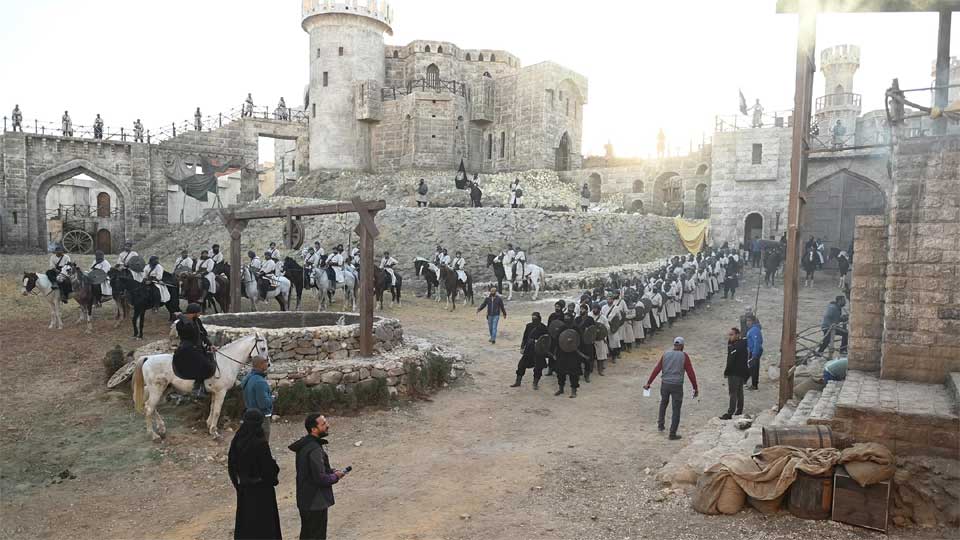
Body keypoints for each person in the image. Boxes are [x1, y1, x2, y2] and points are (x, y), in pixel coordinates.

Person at [289, 414, 348, 540]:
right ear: (313, 429)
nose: (327, 426)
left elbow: (312, 471)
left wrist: (331, 471)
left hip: (305, 499)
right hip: (315, 501)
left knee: (307, 535)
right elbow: (320, 478)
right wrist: (336, 476)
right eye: (323, 424)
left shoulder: (305, 445)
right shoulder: (314, 448)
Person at [227, 409, 281, 540]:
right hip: (262, 492)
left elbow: (231, 466)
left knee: (247, 525)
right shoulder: (260, 443)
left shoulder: (237, 440)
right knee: (264, 528)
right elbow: (269, 470)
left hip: (245, 491)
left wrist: (239, 485)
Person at [643, 337, 699, 440]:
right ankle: (672, 433)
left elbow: (657, 369)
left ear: (674, 345)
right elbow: (691, 373)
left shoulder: (666, 354)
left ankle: (661, 425)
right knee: (676, 409)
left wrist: (648, 383)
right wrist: (695, 387)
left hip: (665, 384)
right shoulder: (684, 356)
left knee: (663, 403)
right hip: (677, 385)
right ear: (682, 346)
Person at [173, 303, 217, 397]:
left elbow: (202, 334)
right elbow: (191, 329)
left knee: (211, 360)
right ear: (193, 313)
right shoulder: (181, 324)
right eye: (198, 312)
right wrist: (182, 317)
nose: (199, 314)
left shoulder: (197, 321)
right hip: (187, 349)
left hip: (198, 347)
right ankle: (197, 387)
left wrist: (210, 345)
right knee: (205, 365)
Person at [511, 312, 551, 389]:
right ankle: (518, 382)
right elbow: (525, 337)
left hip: (538, 350)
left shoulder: (543, 327)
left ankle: (535, 383)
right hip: (529, 349)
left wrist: (539, 343)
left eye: (535, 317)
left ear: (539, 318)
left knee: (538, 368)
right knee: (521, 365)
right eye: (533, 317)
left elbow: (547, 339)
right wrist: (522, 347)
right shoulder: (529, 326)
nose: (534, 319)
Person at [554, 312, 588, 398]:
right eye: (565, 317)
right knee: (560, 372)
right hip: (562, 353)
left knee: (574, 373)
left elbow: (581, 341)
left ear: (571, 318)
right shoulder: (562, 328)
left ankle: (574, 391)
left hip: (573, 354)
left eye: (568, 317)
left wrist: (573, 343)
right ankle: (561, 389)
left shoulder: (576, 328)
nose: (566, 319)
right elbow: (557, 340)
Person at [241, 356, 273, 440]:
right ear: (261, 364)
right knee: (262, 444)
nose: (268, 364)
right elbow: (263, 404)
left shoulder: (249, 378)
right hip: (261, 418)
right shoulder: (260, 381)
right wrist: (273, 397)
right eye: (266, 362)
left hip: (250, 416)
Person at [720, 327, 749, 420]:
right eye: (729, 335)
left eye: (732, 335)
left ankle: (730, 412)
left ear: (737, 335)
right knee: (739, 392)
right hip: (741, 372)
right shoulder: (742, 344)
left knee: (733, 392)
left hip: (734, 372)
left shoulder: (736, 346)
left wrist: (727, 371)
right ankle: (739, 410)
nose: (730, 337)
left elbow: (731, 360)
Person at [745, 315, 763, 390]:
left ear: (753, 321)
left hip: (755, 352)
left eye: (749, 321)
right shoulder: (752, 329)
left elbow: (757, 343)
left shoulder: (755, 330)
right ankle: (747, 382)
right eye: (747, 321)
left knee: (754, 368)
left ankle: (754, 385)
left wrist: (754, 355)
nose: (748, 322)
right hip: (752, 351)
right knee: (751, 367)